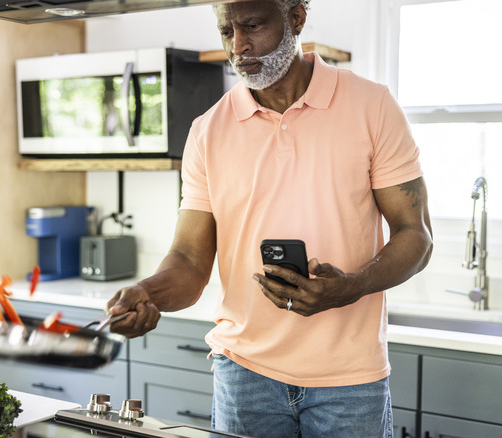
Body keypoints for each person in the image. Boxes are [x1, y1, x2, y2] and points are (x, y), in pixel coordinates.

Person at [105, 0, 433, 436]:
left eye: (252, 25)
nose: (239, 46)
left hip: (349, 380)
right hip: (244, 374)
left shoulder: (372, 105)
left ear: (296, 17)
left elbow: (416, 236)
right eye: (227, 32)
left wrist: (350, 287)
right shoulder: (208, 131)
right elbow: (188, 259)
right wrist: (147, 294)